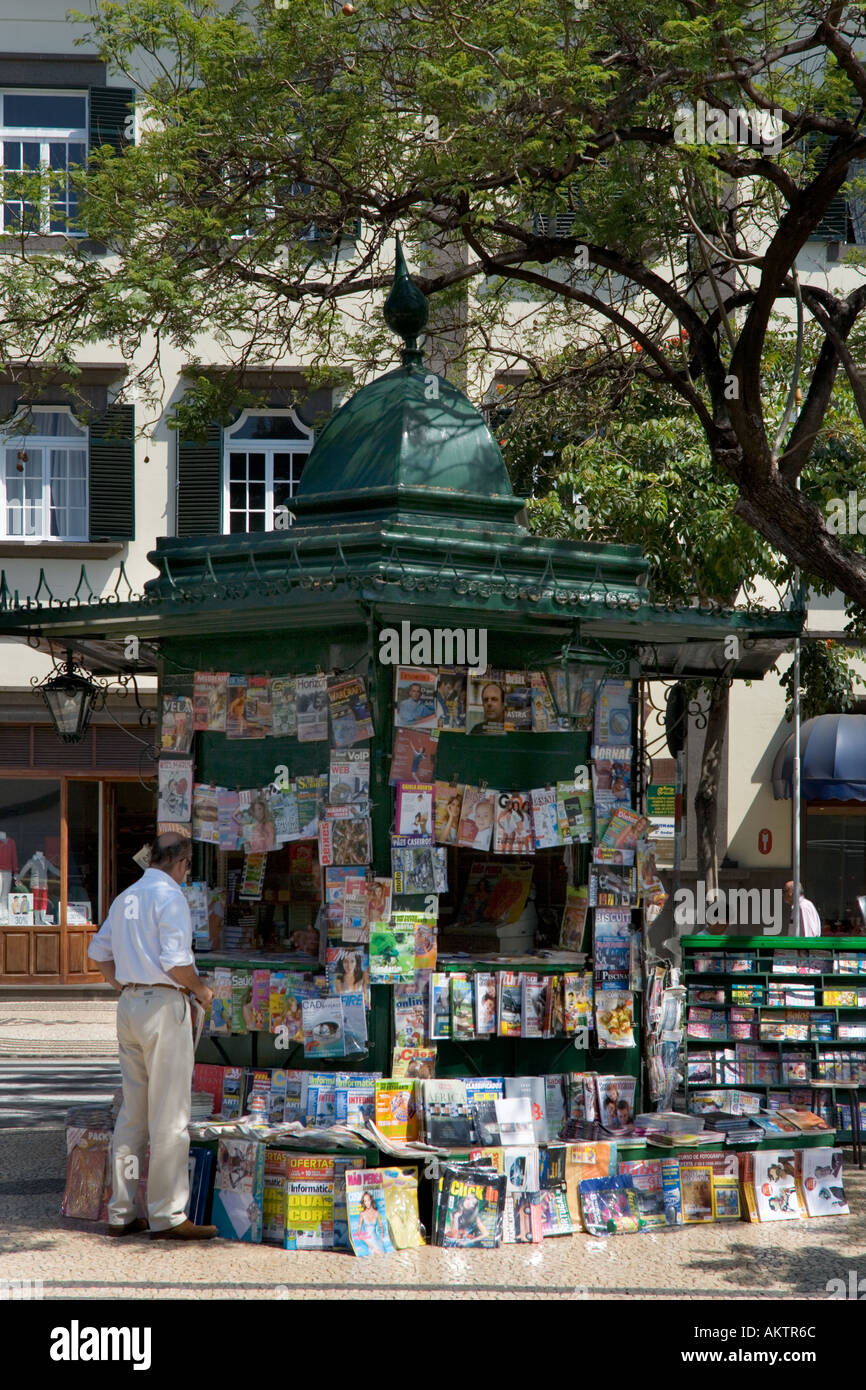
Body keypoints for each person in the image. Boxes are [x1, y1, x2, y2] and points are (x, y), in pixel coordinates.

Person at [87, 833, 218, 1240]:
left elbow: (97, 953)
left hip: (128, 1005)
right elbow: (177, 962)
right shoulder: (171, 897)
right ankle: (167, 1215)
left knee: (132, 1116)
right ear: (181, 863)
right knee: (170, 1116)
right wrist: (201, 991)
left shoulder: (126, 895)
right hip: (162, 1006)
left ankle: (122, 1211)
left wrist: (124, 986)